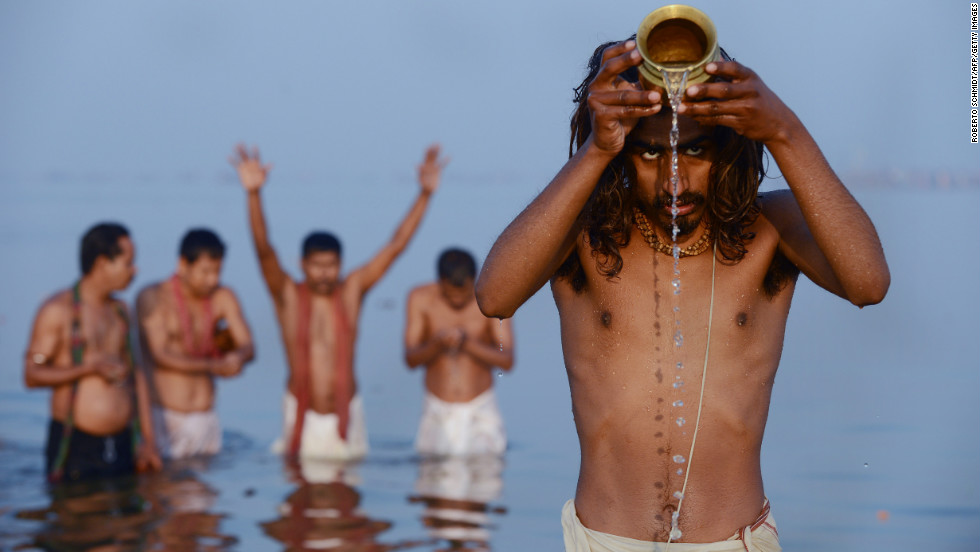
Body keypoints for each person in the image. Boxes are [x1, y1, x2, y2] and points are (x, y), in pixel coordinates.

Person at [476, 38, 889, 551]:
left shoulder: (769, 229)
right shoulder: (583, 235)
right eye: (649, 152)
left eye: (696, 150)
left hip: (733, 541)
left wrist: (785, 130)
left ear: (731, 145)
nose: (675, 182)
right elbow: (494, 296)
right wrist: (597, 148)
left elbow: (868, 284)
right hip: (605, 540)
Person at [232, 142, 446, 460]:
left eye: (331, 266)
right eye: (317, 266)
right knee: (297, 502)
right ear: (302, 264)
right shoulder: (288, 294)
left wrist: (425, 195)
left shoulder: (351, 291)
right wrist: (253, 195)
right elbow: (264, 250)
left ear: (340, 264)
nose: (324, 273)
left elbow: (395, 246)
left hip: (348, 413)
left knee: (350, 503)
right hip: (302, 415)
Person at [24, 222, 162, 483]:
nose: (135, 270)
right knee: (76, 517)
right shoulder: (58, 312)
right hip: (76, 444)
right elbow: (32, 373)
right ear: (101, 264)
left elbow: (139, 376)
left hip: (123, 443)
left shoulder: (121, 312)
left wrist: (149, 440)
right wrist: (86, 368)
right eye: (128, 263)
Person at [137, 228, 255, 459]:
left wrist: (236, 358)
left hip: (206, 419)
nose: (213, 279)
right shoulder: (153, 297)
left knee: (205, 492)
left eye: (217, 271)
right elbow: (160, 355)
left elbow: (248, 345)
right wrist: (213, 367)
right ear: (183, 264)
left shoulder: (223, 297)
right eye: (205, 272)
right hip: (164, 417)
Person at [404, 248, 514, 456]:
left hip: (481, 409)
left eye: (463, 293)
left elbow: (507, 360)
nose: (457, 300)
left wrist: (467, 343)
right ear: (440, 281)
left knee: (487, 482)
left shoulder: (494, 299)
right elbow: (410, 359)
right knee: (431, 483)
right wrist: (437, 344)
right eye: (450, 293)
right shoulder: (420, 298)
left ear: (474, 280)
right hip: (436, 409)